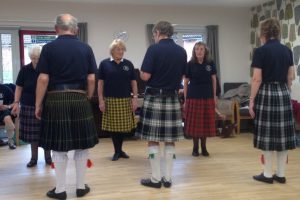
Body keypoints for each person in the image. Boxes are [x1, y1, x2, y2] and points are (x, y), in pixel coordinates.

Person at [35, 13, 98, 199]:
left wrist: (38, 104)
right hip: (79, 97)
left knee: (59, 147)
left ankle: (61, 190)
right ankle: (80, 187)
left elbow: (43, 78)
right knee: (81, 146)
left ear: (56, 29)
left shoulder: (48, 48)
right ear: (76, 29)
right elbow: (91, 78)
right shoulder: (86, 48)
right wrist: (87, 97)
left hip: (55, 99)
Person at [136, 21, 187, 188]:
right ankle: (168, 178)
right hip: (172, 98)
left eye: (153, 35)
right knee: (170, 141)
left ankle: (156, 179)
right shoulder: (181, 51)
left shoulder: (153, 49)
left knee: (153, 140)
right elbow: (181, 77)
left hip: (155, 98)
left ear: (157, 32)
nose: (154, 37)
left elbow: (144, 76)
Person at [249, 18, 296, 184]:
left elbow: (256, 79)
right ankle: (281, 174)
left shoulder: (261, 51)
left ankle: (268, 174)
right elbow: (290, 77)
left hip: (267, 92)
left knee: (268, 136)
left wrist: (252, 100)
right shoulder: (287, 50)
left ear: (264, 33)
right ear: (277, 32)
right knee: (282, 137)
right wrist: (285, 90)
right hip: (283, 92)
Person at [12, 46, 52, 167]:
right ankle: (33, 158)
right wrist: (16, 102)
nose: (35, 60)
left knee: (47, 132)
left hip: (47, 105)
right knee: (33, 135)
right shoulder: (25, 70)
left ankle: (48, 158)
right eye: (33, 58)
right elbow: (19, 87)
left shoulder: (48, 69)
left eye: (38, 58)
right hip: (29, 105)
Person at [98, 39, 138, 161]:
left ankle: (120, 150)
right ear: (112, 51)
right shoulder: (104, 64)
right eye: (118, 49)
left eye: (122, 49)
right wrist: (101, 100)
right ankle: (117, 151)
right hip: (110, 100)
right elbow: (100, 83)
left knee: (123, 128)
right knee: (114, 128)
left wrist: (135, 99)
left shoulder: (128, 64)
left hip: (125, 100)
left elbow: (134, 83)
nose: (120, 52)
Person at [183, 42, 217, 157]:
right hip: (193, 97)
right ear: (194, 51)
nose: (199, 51)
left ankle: (204, 147)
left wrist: (214, 96)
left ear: (205, 51)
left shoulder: (210, 63)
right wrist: (186, 98)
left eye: (201, 49)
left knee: (205, 124)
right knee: (195, 125)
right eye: (197, 49)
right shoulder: (190, 64)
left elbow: (214, 80)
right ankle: (195, 148)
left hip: (207, 96)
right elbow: (186, 82)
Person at [0, 83, 17, 149]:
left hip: (5, 111)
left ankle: (10, 141)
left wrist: (7, 106)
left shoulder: (6, 89)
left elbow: (15, 103)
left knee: (7, 117)